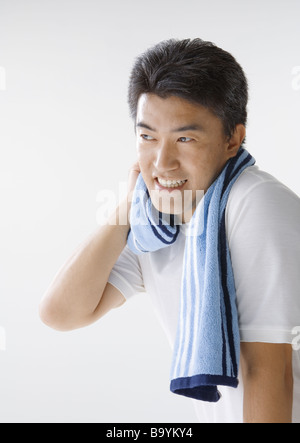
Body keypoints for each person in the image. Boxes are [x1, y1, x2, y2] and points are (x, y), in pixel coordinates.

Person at [39, 38, 300, 423]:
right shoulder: (154, 221)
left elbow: (269, 371)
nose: (162, 161)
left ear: (233, 139)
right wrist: (125, 211)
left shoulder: (255, 204)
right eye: (147, 137)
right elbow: (61, 313)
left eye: (184, 139)